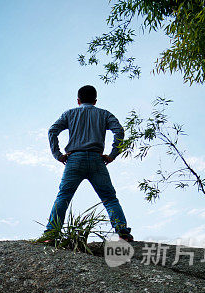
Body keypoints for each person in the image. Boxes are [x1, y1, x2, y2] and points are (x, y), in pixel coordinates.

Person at [39, 85, 134, 242]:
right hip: (97, 160)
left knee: (64, 196)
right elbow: (119, 131)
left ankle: (51, 233)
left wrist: (58, 155)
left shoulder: (70, 114)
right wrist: (112, 155)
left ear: (78, 100)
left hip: (74, 160)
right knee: (109, 198)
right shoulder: (104, 114)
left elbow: (52, 131)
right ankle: (122, 232)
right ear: (95, 101)